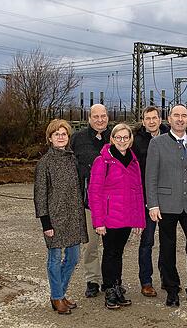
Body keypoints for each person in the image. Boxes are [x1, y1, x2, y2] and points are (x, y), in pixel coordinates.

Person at [145, 104, 187, 308]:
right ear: (169, 119)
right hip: (167, 205)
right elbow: (151, 176)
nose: (180, 119)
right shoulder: (157, 143)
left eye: (184, 116)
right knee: (168, 248)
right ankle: (172, 290)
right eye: (176, 116)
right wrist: (153, 204)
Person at [88, 124, 146, 310]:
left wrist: (139, 220)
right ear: (112, 139)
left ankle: (116, 284)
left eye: (125, 137)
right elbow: (94, 193)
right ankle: (110, 289)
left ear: (130, 140)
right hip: (110, 217)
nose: (122, 141)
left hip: (127, 217)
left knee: (118, 253)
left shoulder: (133, 162)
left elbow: (138, 192)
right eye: (118, 137)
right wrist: (98, 221)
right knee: (110, 253)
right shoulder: (102, 161)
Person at [34, 119, 89, 315]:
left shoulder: (72, 159)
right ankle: (57, 297)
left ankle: (60, 293)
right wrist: (45, 222)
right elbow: (40, 194)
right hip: (54, 219)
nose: (60, 137)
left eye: (64, 134)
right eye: (56, 134)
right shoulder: (44, 163)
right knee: (55, 259)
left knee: (73, 258)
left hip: (74, 217)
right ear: (50, 138)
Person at [70, 104, 112, 297]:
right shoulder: (78, 139)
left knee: (112, 245)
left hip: (113, 202)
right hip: (88, 202)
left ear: (108, 117)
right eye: (96, 116)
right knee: (91, 244)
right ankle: (92, 280)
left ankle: (111, 280)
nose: (100, 120)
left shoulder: (116, 137)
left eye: (103, 116)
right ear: (89, 118)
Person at [132, 106, 170, 298]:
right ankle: (146, 281)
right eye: (148, 118)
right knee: (147, 241)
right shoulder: (137, 140)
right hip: (146, 199)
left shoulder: (169, 137)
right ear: (143, 120)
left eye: (155, 118)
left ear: (160, 119)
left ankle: (167, 278)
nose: (152, 121)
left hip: (168, 199)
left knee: (167, 241)